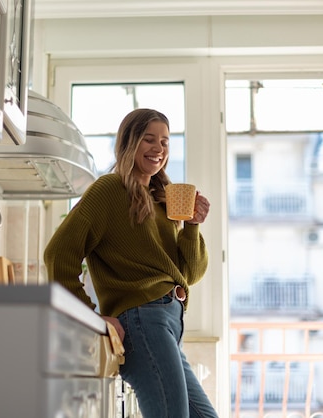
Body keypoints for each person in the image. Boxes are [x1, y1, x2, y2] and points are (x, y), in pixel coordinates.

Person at [44, 108, 218, 417]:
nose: (159, 149)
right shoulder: (109, 191)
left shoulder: (162, 199)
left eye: (165, 141)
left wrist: (191, 226)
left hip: (168, 322)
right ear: (129, 143)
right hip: (143, 321)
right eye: (148, 139)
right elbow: (58, 254)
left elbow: (189, 274)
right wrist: (91, 317)